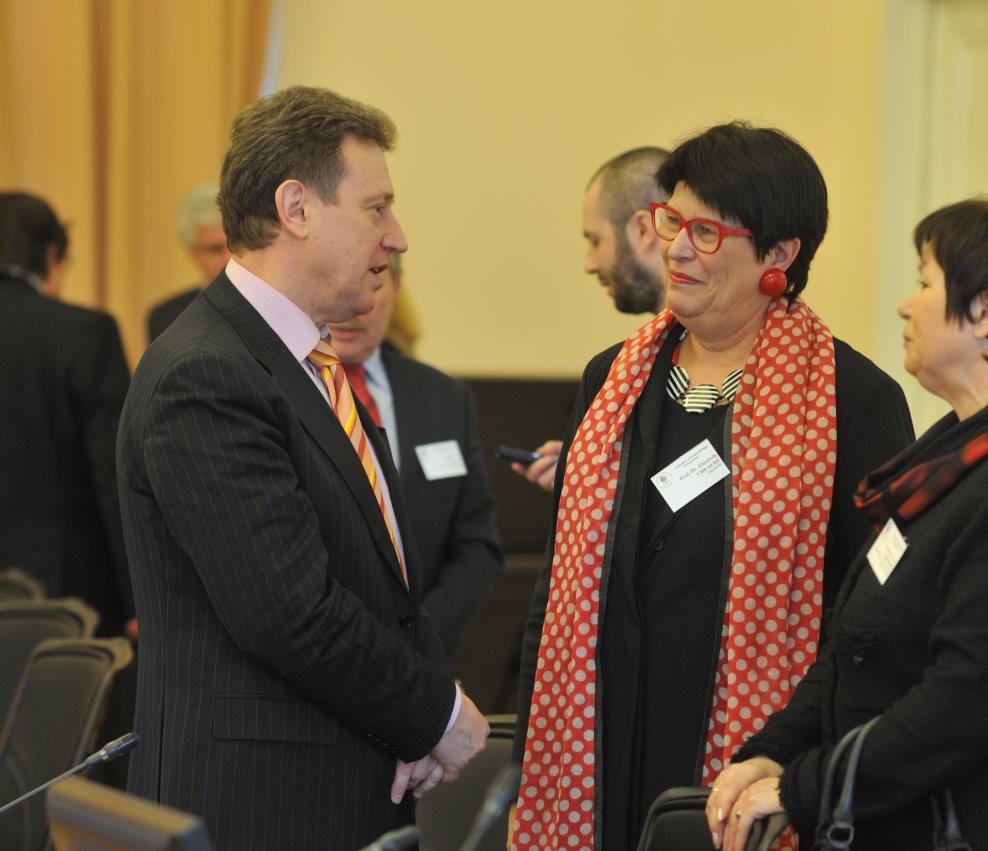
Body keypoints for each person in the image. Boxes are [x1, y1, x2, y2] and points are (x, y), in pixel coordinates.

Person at [511, 122, 914, 851]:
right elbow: (558, 580)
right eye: (672, 221)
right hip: (596, 751)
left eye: (705, 231)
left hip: (757, 767)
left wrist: (804, 761)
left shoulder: (854, 399)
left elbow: (875, 616)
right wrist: (527, 752)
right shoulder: (613, 380)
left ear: (780, 254)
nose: (675, 247)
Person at [710, 187, 988, 851]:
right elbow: (857, 646)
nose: (905, 302)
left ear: (986, 312)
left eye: (924, 282)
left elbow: (961, 704)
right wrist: (772, 751)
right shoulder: (956, 455)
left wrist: (802, 788)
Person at [117, 86, 488, 849]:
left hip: (331, 788)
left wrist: (406, 727)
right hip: (259, 809)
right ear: (296, 208)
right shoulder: (208, 372)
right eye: (377, 207)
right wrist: (435, 715)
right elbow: (289, 610)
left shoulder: (305, 364)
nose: (398, 236)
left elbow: (375, 584)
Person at [328, 252, 503, 652]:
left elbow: (477, 545)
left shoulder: (444, 398)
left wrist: (420, 640)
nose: (354, 308)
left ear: (397, 290)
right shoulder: (285, 392)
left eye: (372, 285)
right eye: (341, 285)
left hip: (425, 657)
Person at [0, 192, 135, 637]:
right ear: (51, 256)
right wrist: (136, 596)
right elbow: (114, 474)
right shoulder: (83, 333)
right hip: (65, 597)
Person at [513, 146, 669, 492]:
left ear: (643, 230)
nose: (590, 263)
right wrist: (587, 473)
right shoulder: (633, 361)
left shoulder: (708, 355)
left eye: (595, 240)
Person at [146, 182, 232, 340]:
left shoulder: (273, 305)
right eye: (215, 249)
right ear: (193, 253)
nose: (229, 258)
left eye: (235, 244)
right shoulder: (166, 317)